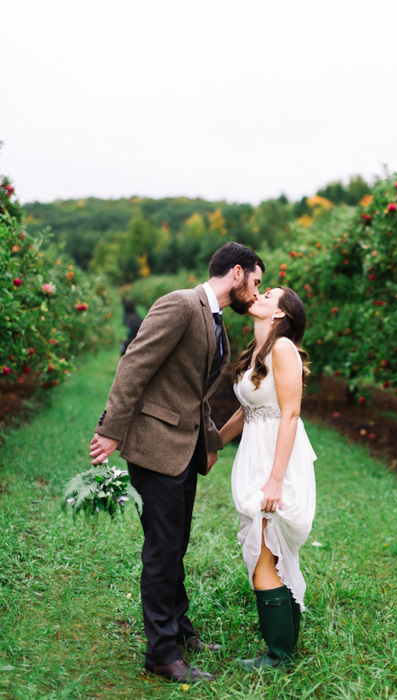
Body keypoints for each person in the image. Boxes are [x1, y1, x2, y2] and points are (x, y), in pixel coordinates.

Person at [89, 243, 264, 683]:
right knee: (162, 550)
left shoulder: (216, 321)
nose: (257, 293)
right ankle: (162, 654)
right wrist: (111, 428)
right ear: (237, 273)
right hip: (154, 446)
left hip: (183, 448)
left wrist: (208, 441)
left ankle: (181, 630)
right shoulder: (181, 304)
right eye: (256, 283)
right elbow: (135, 364)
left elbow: (194, 393)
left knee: (177, 544)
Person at [219, 286, 317, 670]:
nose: (258, 294)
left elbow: (290, 414)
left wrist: (275, 480)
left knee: (264, 556)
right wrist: (214, 443)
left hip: (277, 460)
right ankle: (285, 644)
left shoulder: (282, 349)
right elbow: (249, 410)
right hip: (254, 454)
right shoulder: (256, 352)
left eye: (269, 294)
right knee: (269, 552)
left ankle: (279, 656)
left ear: (279, 314)